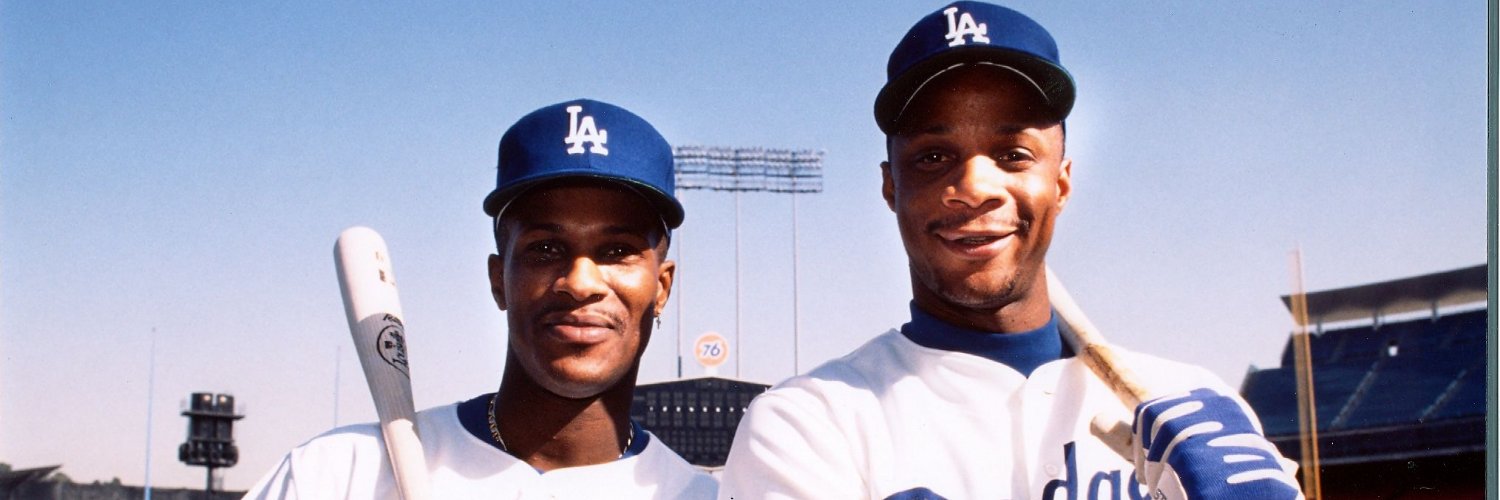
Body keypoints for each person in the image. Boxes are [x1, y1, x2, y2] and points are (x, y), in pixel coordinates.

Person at [719, 3, 1301, 499]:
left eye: (1013, 154)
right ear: (891, 188)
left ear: (1062, 182)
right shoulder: (810, 424)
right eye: (933, 157)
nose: (974, 188)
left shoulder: (1194, 406)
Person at [246, 99, 717, 499]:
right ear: (499, 280)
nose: (580, 281)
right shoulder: (336, 476)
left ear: (661, 288)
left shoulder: (699, 495)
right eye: (545, 249)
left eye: (617, 251)